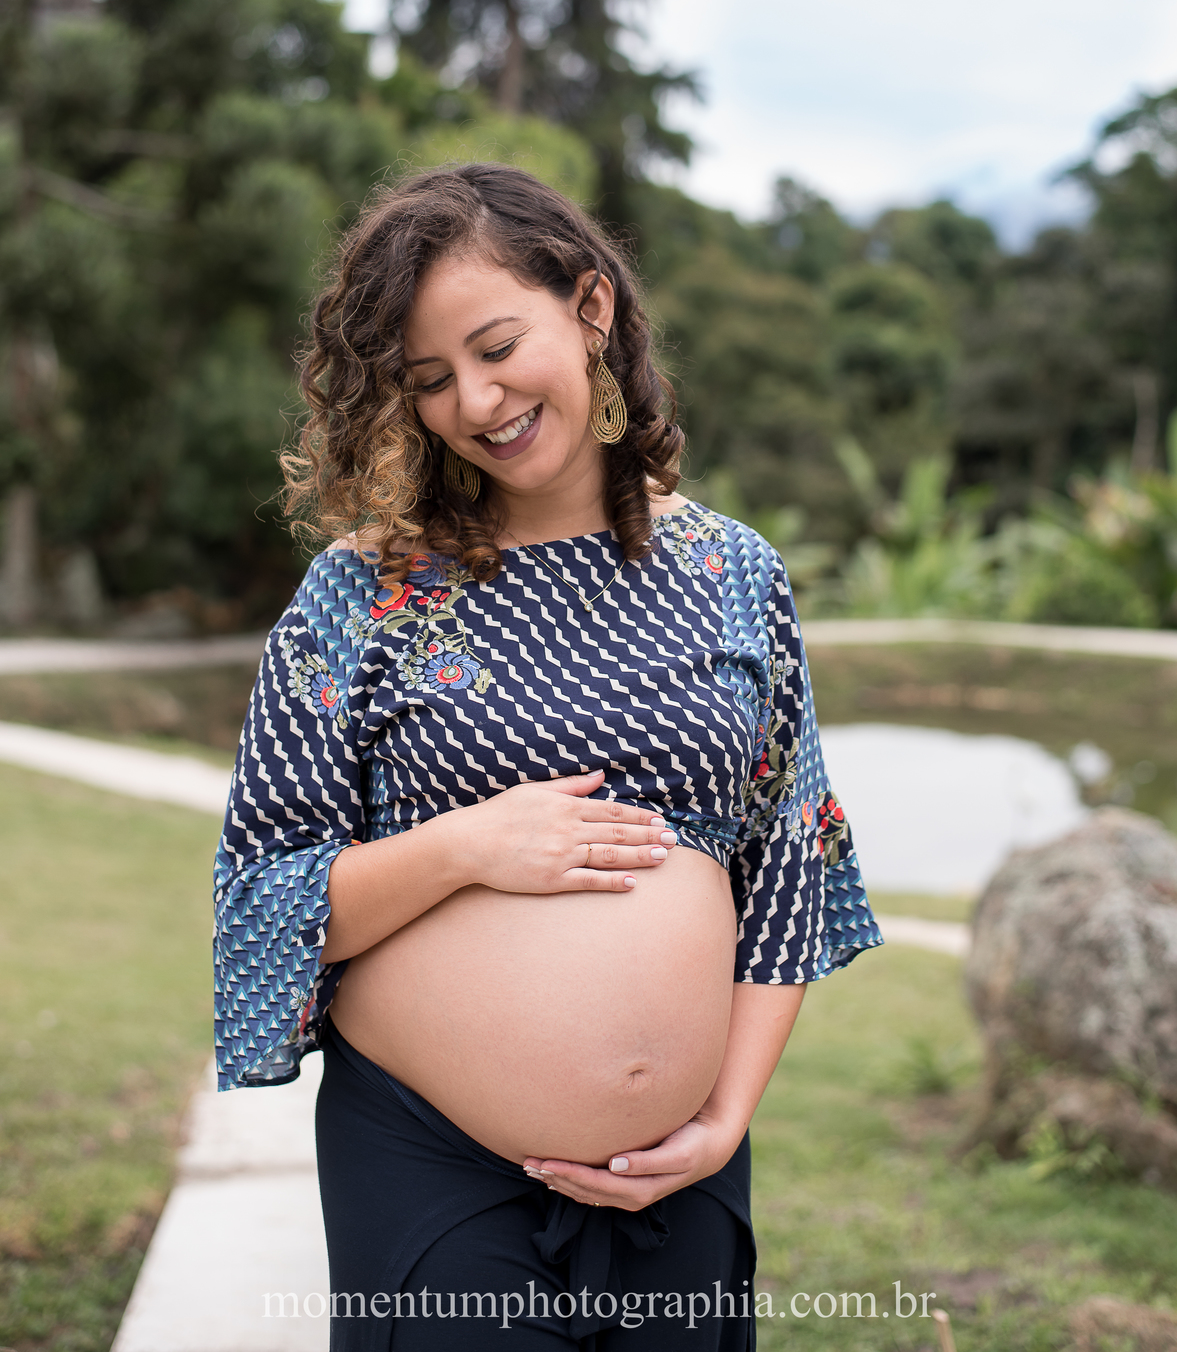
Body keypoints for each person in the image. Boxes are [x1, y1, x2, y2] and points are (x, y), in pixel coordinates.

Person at [213, 164, 880, 1349]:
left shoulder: (735, 573)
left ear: (590, 308)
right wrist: (467, 847)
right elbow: (261, 904)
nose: (475, 399)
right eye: (429, 380)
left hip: (680, 1172)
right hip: (429, 1159)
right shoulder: (357, 596)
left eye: (495, 345)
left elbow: (792, 861)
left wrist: (722, 1121)